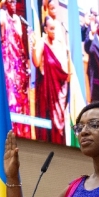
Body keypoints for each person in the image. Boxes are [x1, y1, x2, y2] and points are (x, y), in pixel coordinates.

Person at [32, 15, 69, 145]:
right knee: (49, 122)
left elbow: (61, 69)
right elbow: (36, 63)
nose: (54, 31)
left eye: (55, 29)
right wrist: (34, 47)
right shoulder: (42, 43)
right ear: (46, 29)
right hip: (46, 92)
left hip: (57, 91)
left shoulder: (58, 45)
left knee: (59, 123)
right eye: (51, 29)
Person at [0, 0, 32, 138]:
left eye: (14, 1)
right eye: (10, 1)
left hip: (20, 68)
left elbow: (22, 45)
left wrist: (27, 66)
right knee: (11, 99)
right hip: (8, 66)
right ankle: (11, 131)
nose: (13, 4)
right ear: (6, 2)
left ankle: (22, 132)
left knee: (21, 101)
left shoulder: (19, 20)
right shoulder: (3, 15)